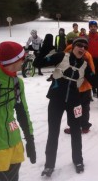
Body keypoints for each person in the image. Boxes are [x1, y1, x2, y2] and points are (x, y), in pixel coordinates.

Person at [33, 35, 94, 176]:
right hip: (56, 100)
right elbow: (37, 64)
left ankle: (78, 160)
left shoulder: (85, 64)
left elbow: (95, 81)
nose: (82, 48)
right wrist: (44, 50)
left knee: (76, 132)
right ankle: (49, 165)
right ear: (73, 46)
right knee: (53, 133)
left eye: (85, 47)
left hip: (74, 102)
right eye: (79, 45)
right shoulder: (61, 56)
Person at [0, 41, 36, 181]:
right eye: (22, 58)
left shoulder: (17, 83)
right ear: (15, 60)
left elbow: (23, 112)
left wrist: (30, 139)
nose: (24, 62)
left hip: (15, 144)